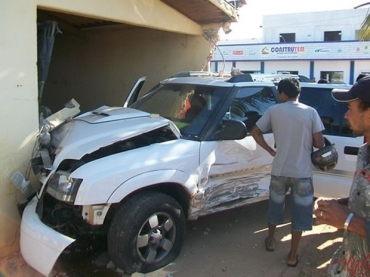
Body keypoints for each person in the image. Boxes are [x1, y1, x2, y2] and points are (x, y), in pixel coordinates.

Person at [251, 78, 325, 267]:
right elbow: (319, 143)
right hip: (303, 173)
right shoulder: (311, 112)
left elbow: (255, 132)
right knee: (300, 215)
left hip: (280, 169)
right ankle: (292, 256)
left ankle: (270, 240)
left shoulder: (274, 111)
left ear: (283, 93)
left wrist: (270, 150)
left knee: (275, 208)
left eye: (279, 92)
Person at [314, 75, 370, 276]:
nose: (345, 116)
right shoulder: (364, 152)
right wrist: (340, 204)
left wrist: (348, 221)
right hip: (352, 263)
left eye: (350, 108)